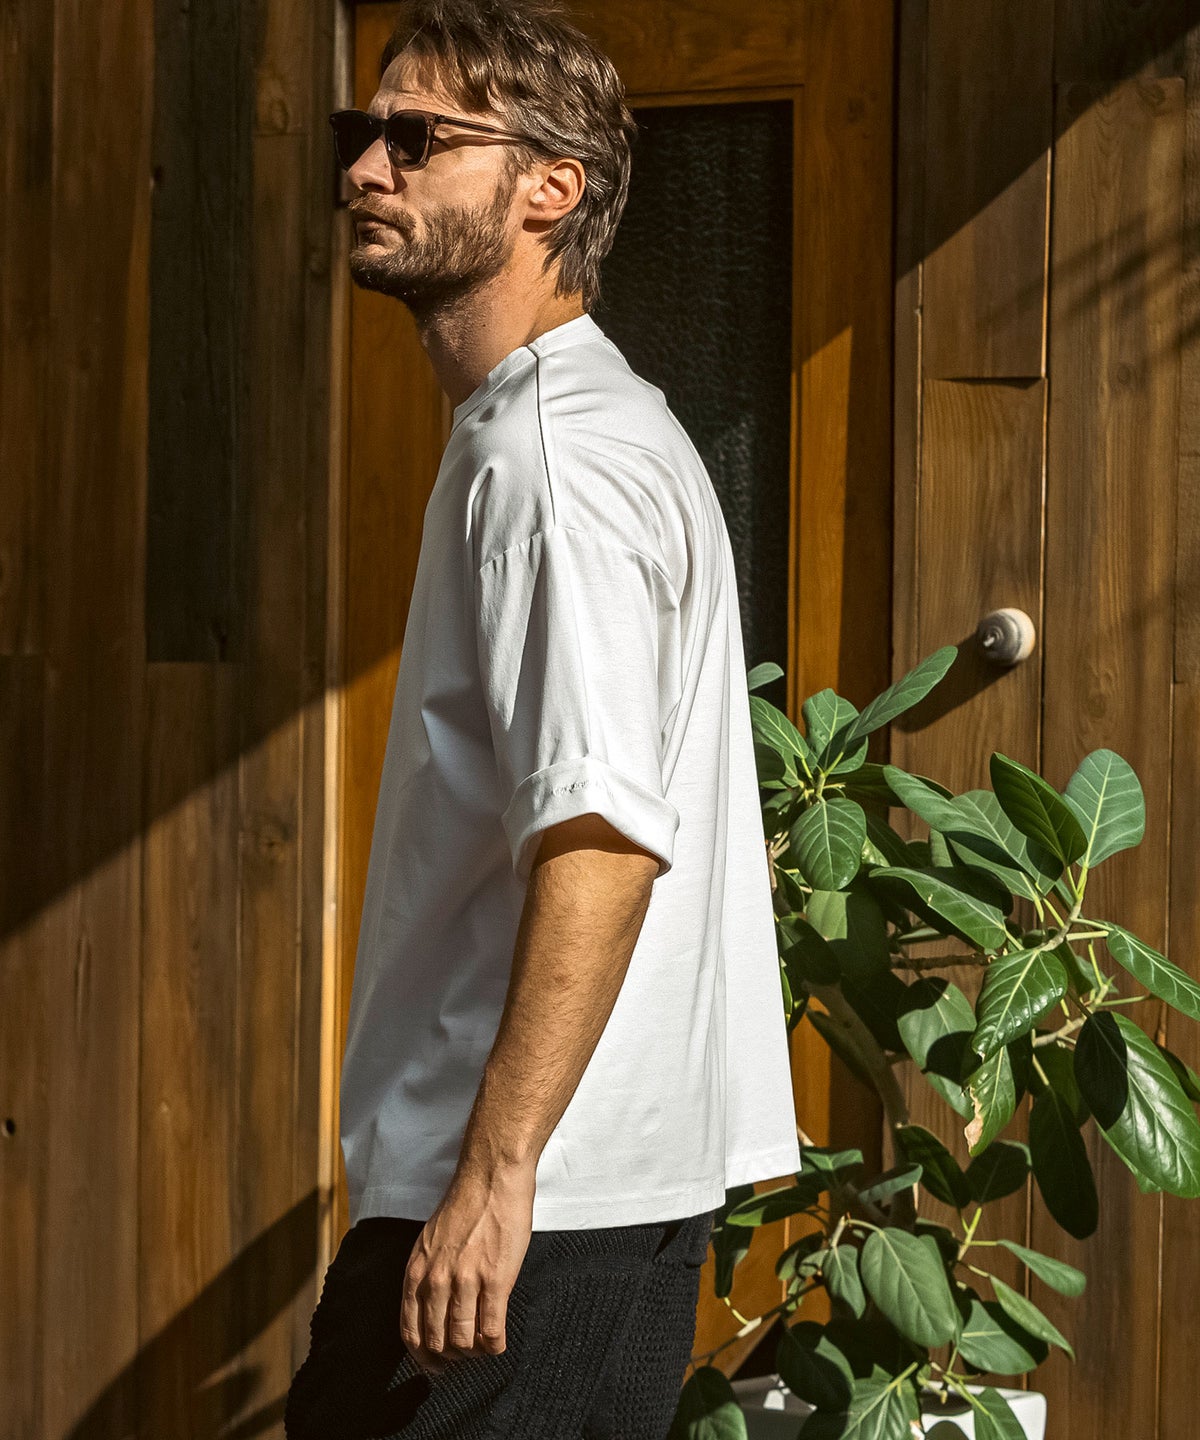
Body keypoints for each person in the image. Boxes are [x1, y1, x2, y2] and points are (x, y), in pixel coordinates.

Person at [284, 1, 802, 1435]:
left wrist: (495, 1172)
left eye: (416, 139)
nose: (364, 169)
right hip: (572, 1208)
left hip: (524, 1220)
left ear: (550, 187)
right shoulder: (575, 430)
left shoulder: (553, 459)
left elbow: (602, 840)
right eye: (363, 134)